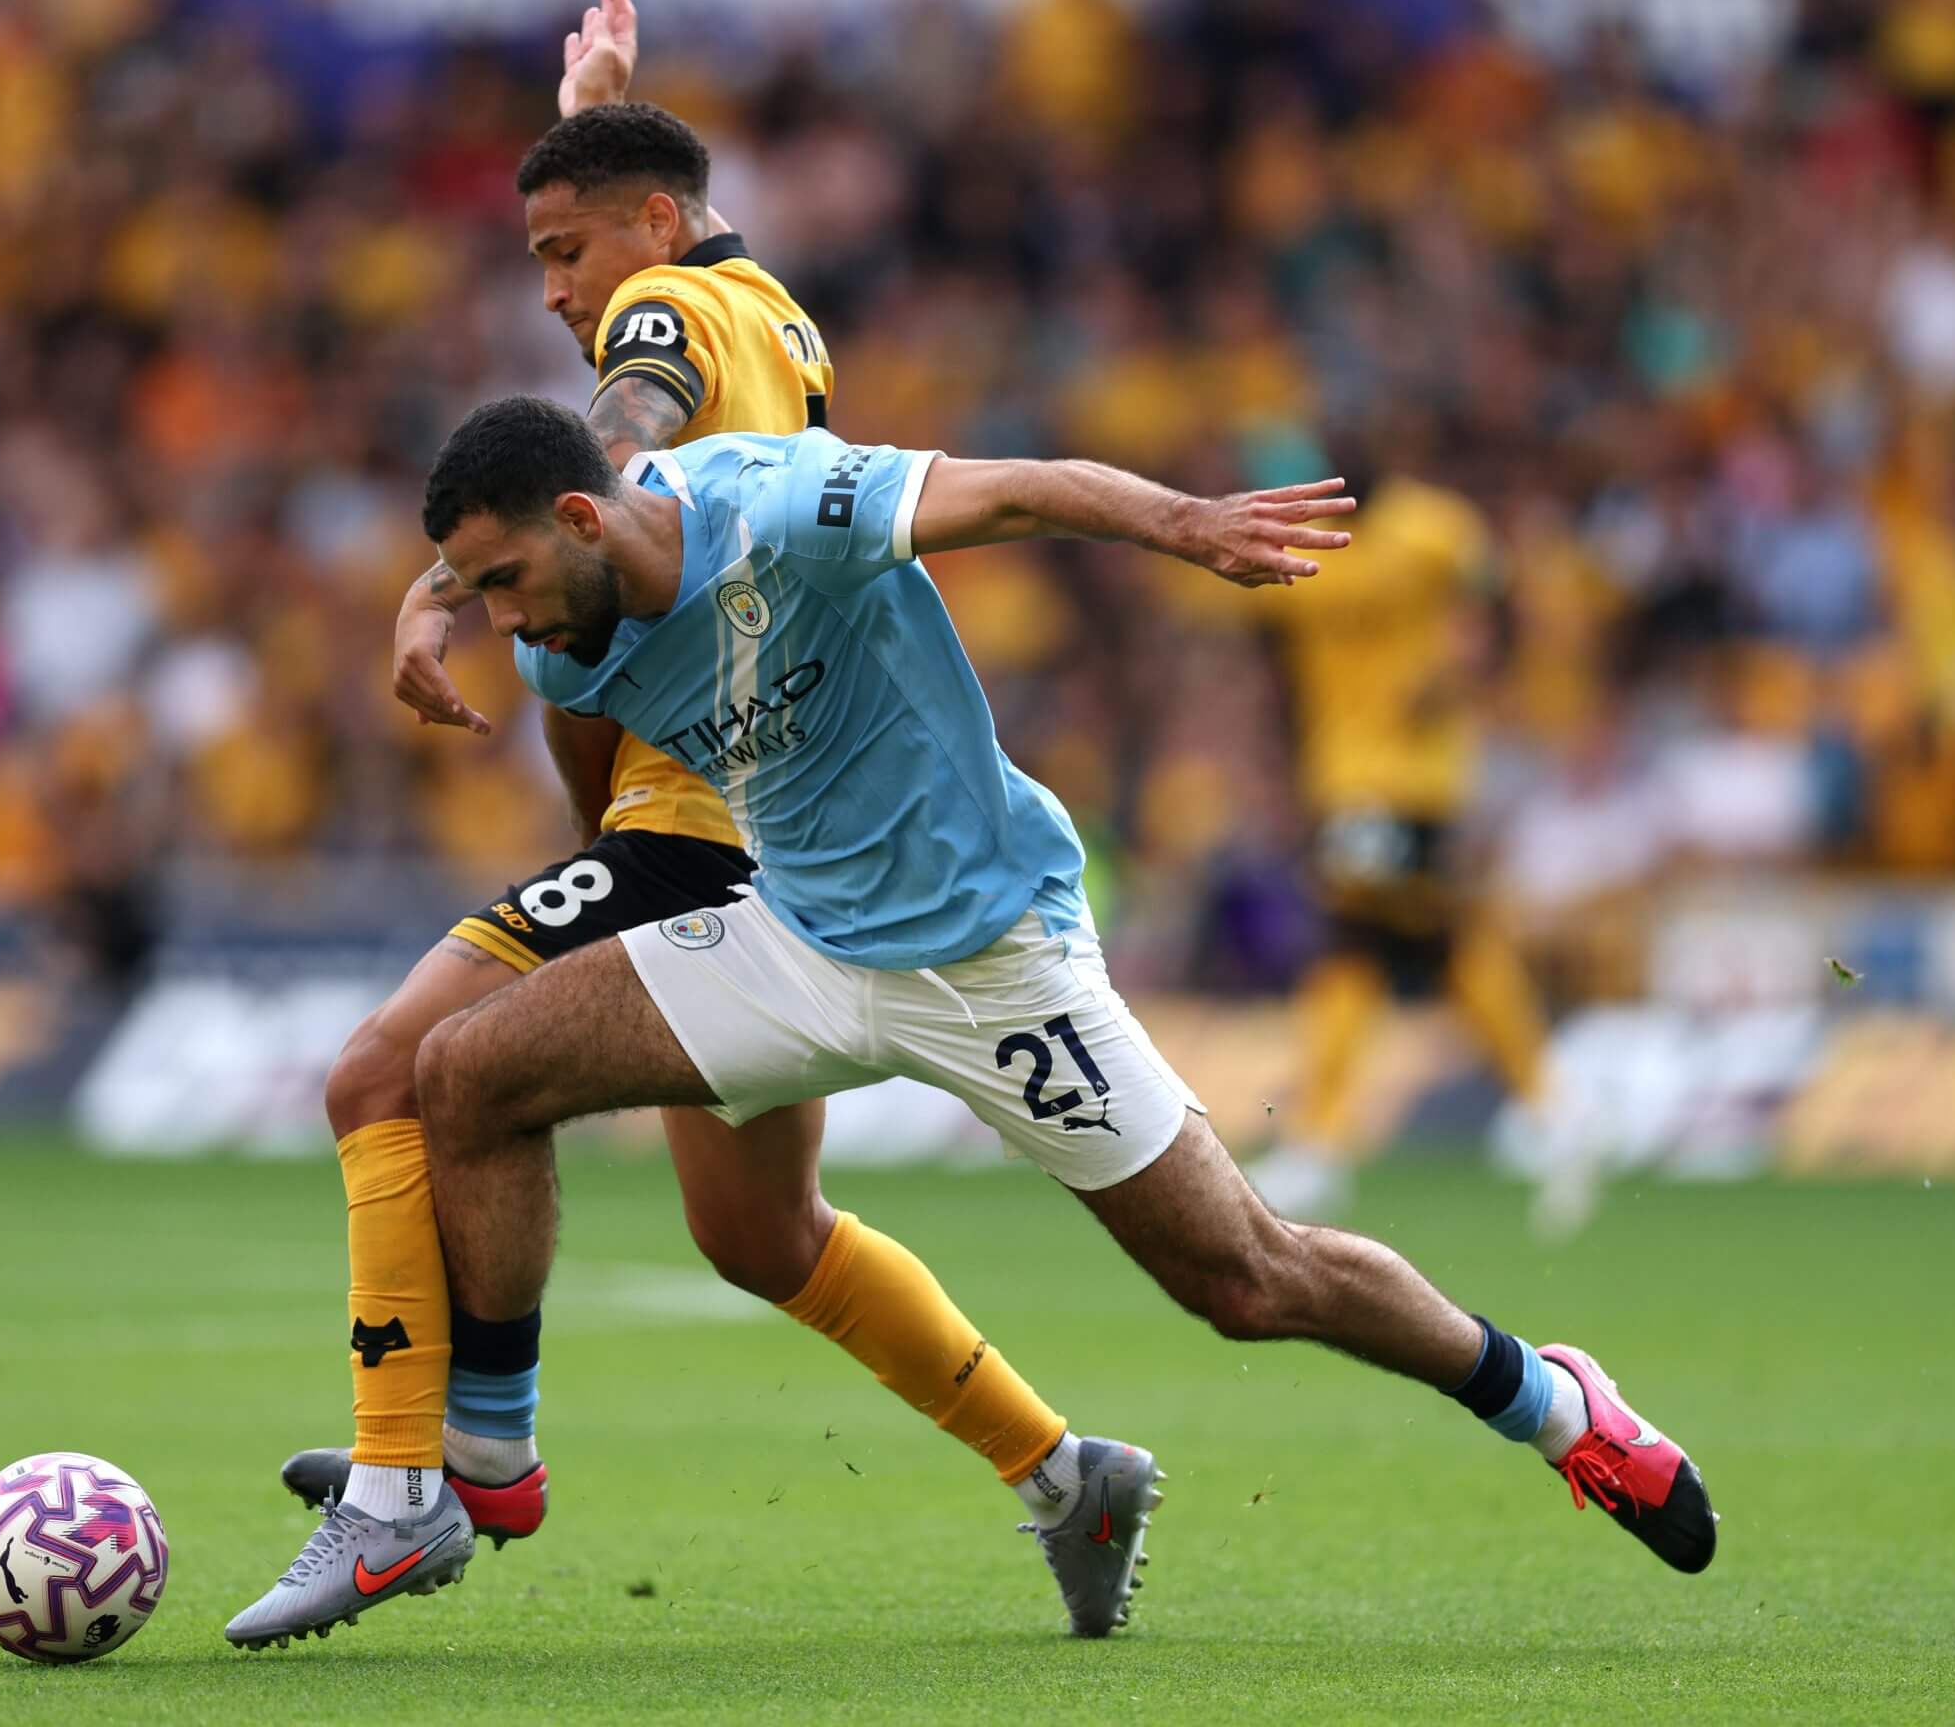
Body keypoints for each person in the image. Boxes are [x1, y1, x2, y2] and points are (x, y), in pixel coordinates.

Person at [227, 397, 1719, 1645]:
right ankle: (487, 1453)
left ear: (578, 517)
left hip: (991, 957)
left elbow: (1012, 491)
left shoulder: (781, 505)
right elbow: (578, 715)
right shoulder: (561, 638)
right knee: (466, 1073)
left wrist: (1188, 524)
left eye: (503, 581)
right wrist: (433, 598)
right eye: (475, 594)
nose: (503, 620)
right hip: (792, 938)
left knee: (1247, 1279)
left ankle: (1554, 1405)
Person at [235, 0, 1126, 1647]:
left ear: (648, 229)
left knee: (382, 1072)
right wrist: (598, 116)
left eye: (561, 252)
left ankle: (417, 1485)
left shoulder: (656, 318)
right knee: (760, 1233)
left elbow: (620, 429)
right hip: (767, 816)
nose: (556, 291)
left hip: (697, 814)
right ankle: (1066, 1471)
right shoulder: (758, 302)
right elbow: (658, 268)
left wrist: (443, 584)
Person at [1234, 439, 1591, 1234]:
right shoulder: (1297, 541)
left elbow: (1500, 606)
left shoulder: (1434, 531)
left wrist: (1464, 667)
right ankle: (1552, 1111)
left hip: (1413, 776)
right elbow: (1279, 665)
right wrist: (1289, 765)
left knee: (1359, 940)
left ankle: (1321, 1144)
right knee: (1423, 944)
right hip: (1343, 777)